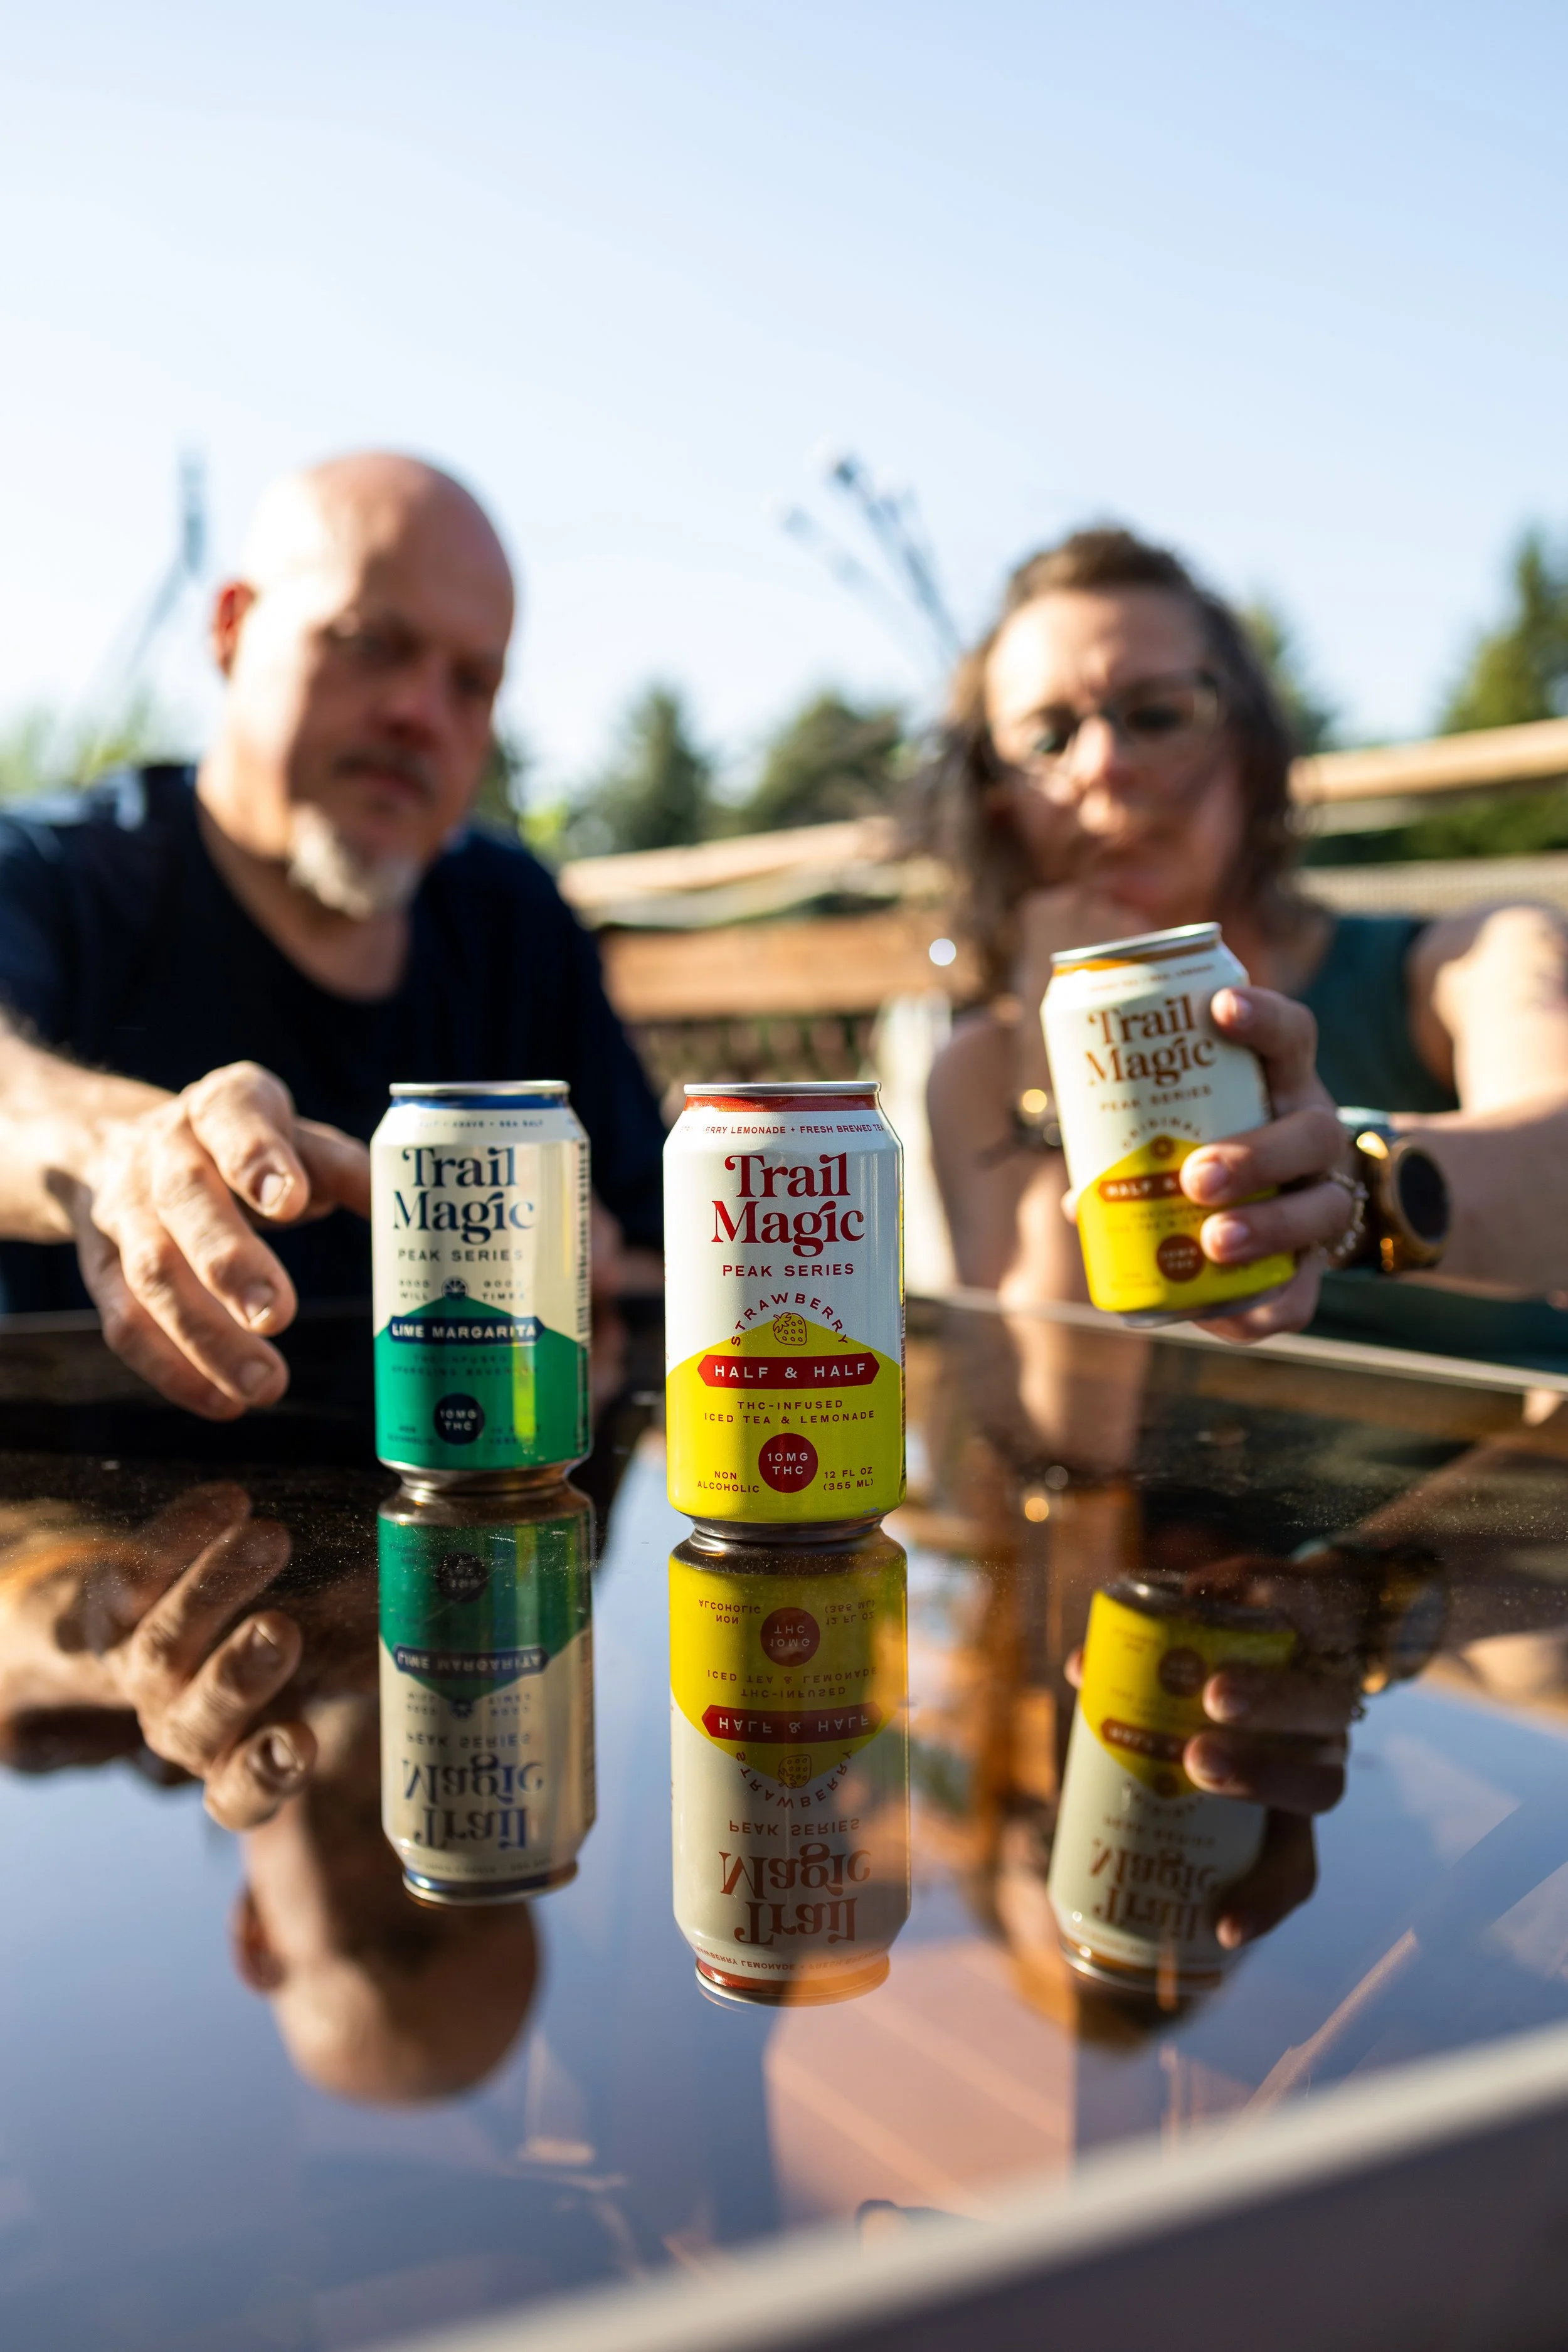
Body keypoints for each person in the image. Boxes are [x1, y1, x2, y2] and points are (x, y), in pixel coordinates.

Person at [0, 454, 664, 1418]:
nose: (420, 714)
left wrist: (597, 1259)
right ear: (231, 629)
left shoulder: (516, 922)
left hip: (476, 1546)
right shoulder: (54, 873)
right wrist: (119, 1147)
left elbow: (645, 1250)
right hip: (87, 1546)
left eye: (473, 683)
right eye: (368, 643)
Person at [925, 527, 1568, 1368]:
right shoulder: (981, 1073)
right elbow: (1067, 1445)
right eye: (1046, 739)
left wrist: (1344, 1188)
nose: (1105, 764)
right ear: (996, 800)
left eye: (1157, 713)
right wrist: (1055, 1078)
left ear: (1251, 747)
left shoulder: (1471, 957)